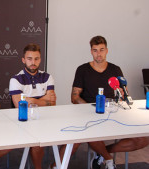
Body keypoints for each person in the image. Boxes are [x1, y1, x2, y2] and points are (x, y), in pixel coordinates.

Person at [55, 36, 149, 169]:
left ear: (107, 51)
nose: (98, 53)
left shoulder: (115, 69)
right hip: (88, 114)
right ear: (91, 52)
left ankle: (103, 152)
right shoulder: (82, 69)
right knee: (88, 133)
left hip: (113, 113)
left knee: (143, 139)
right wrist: (92, 108)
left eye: (101, 50)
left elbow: (124, 94)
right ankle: (108, 159)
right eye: (95, 50)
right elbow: (74, 97)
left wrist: (122, 97)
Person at [9, 43, 56, 169]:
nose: (33, 62)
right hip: (23, 121)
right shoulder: (16, 80)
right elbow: (20, 105)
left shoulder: (48, 77)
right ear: (23, 60)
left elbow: (52, 103)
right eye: (29, 59)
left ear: (40, 59)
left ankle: (55, 165)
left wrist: (29, 100)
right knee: (36, 144)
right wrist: (43, 99)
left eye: (36, 59)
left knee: (73, 138)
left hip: (46, 120)